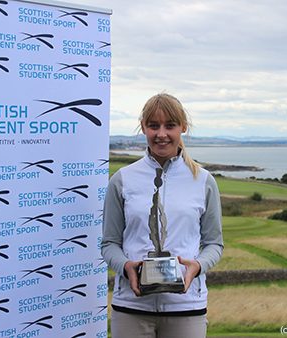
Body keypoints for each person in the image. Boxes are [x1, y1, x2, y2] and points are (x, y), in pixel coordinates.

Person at [101, 93, 223, 338]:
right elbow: (109, 244)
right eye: (153, 126)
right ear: (143, 128)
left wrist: (196, 267)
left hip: (186, 307)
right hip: (131, 307)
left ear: (183, 128)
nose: (161, 134)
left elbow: (214, 244)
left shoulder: (204, 180)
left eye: (170, 125)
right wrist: (126, 267)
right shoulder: (122, 179)